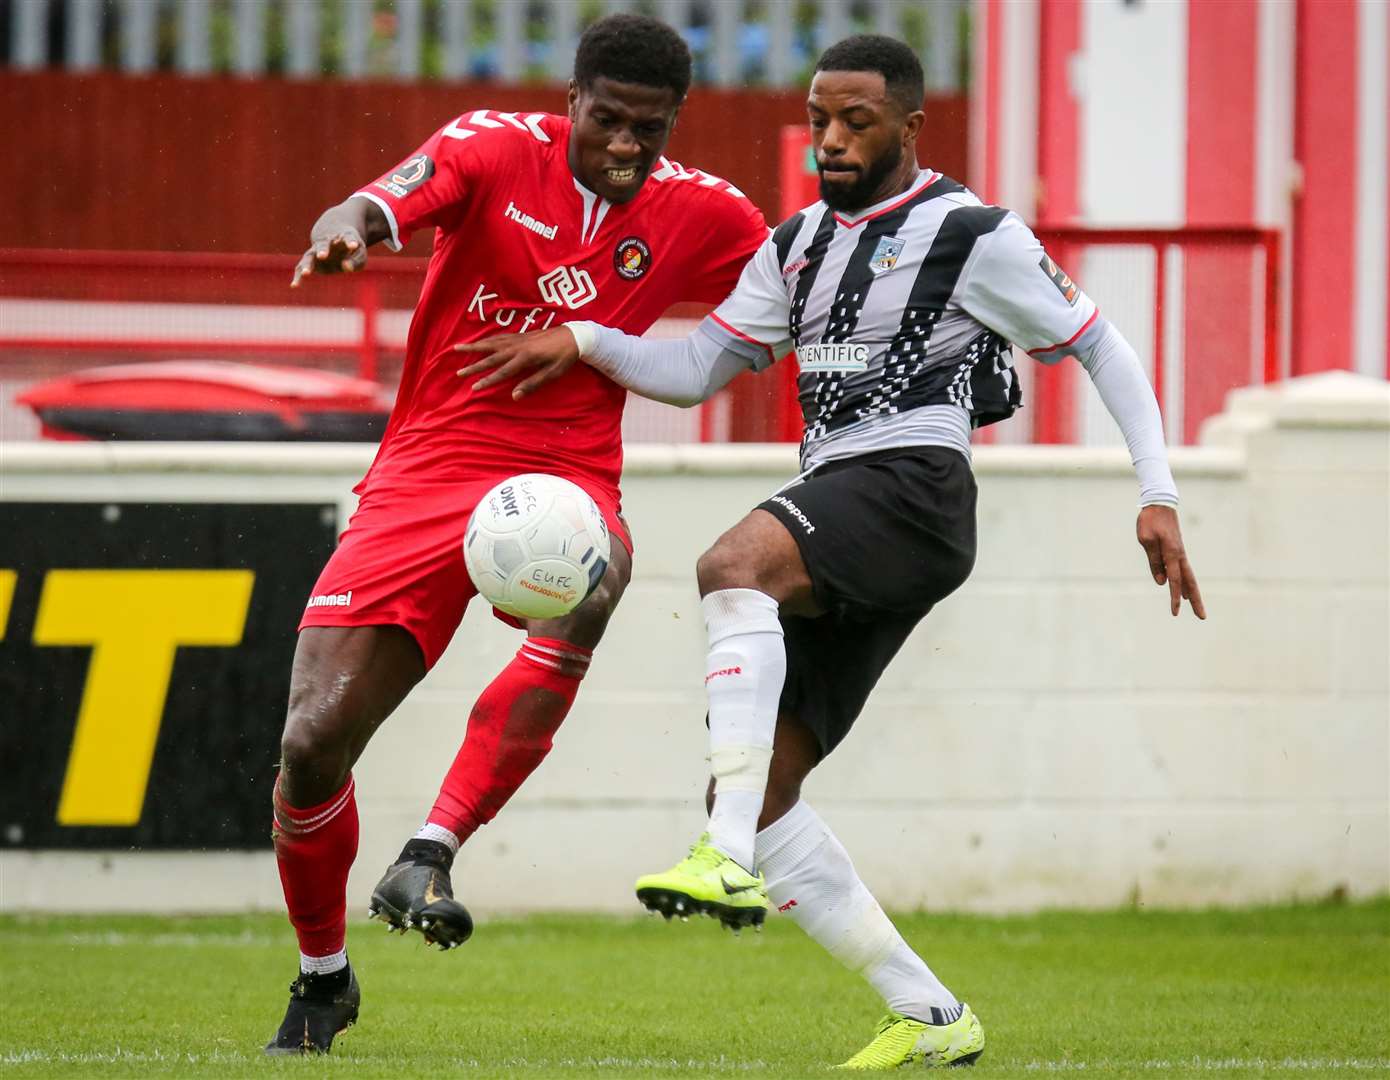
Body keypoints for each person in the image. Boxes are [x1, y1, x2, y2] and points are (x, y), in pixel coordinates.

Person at [455, 33, 1206, 1070]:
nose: (832, 139)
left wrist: (1155, 492)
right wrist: (582, 340)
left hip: (913, 488)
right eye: (819, 118)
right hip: (846, 497)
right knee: (760, 793)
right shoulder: (797, 240)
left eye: (856, 121)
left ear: (908, 124)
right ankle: (932, 1016)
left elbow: (1097, 344)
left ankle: (720, 858)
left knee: (731, 566)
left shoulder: (971, 230)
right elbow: (695, 367)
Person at [266, 14, 768, 1056]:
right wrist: (349, 229)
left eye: (650, 129)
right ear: (571, 101)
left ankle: (431, 849)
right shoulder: (493, 147)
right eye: (607, 121)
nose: (626, 146)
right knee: (311, 746)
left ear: (676, 122)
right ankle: (323, 978)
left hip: (562, 477)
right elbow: (379, 199)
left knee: (602, 572)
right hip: (425, 467)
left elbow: (785, 303)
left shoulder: (706, 213)